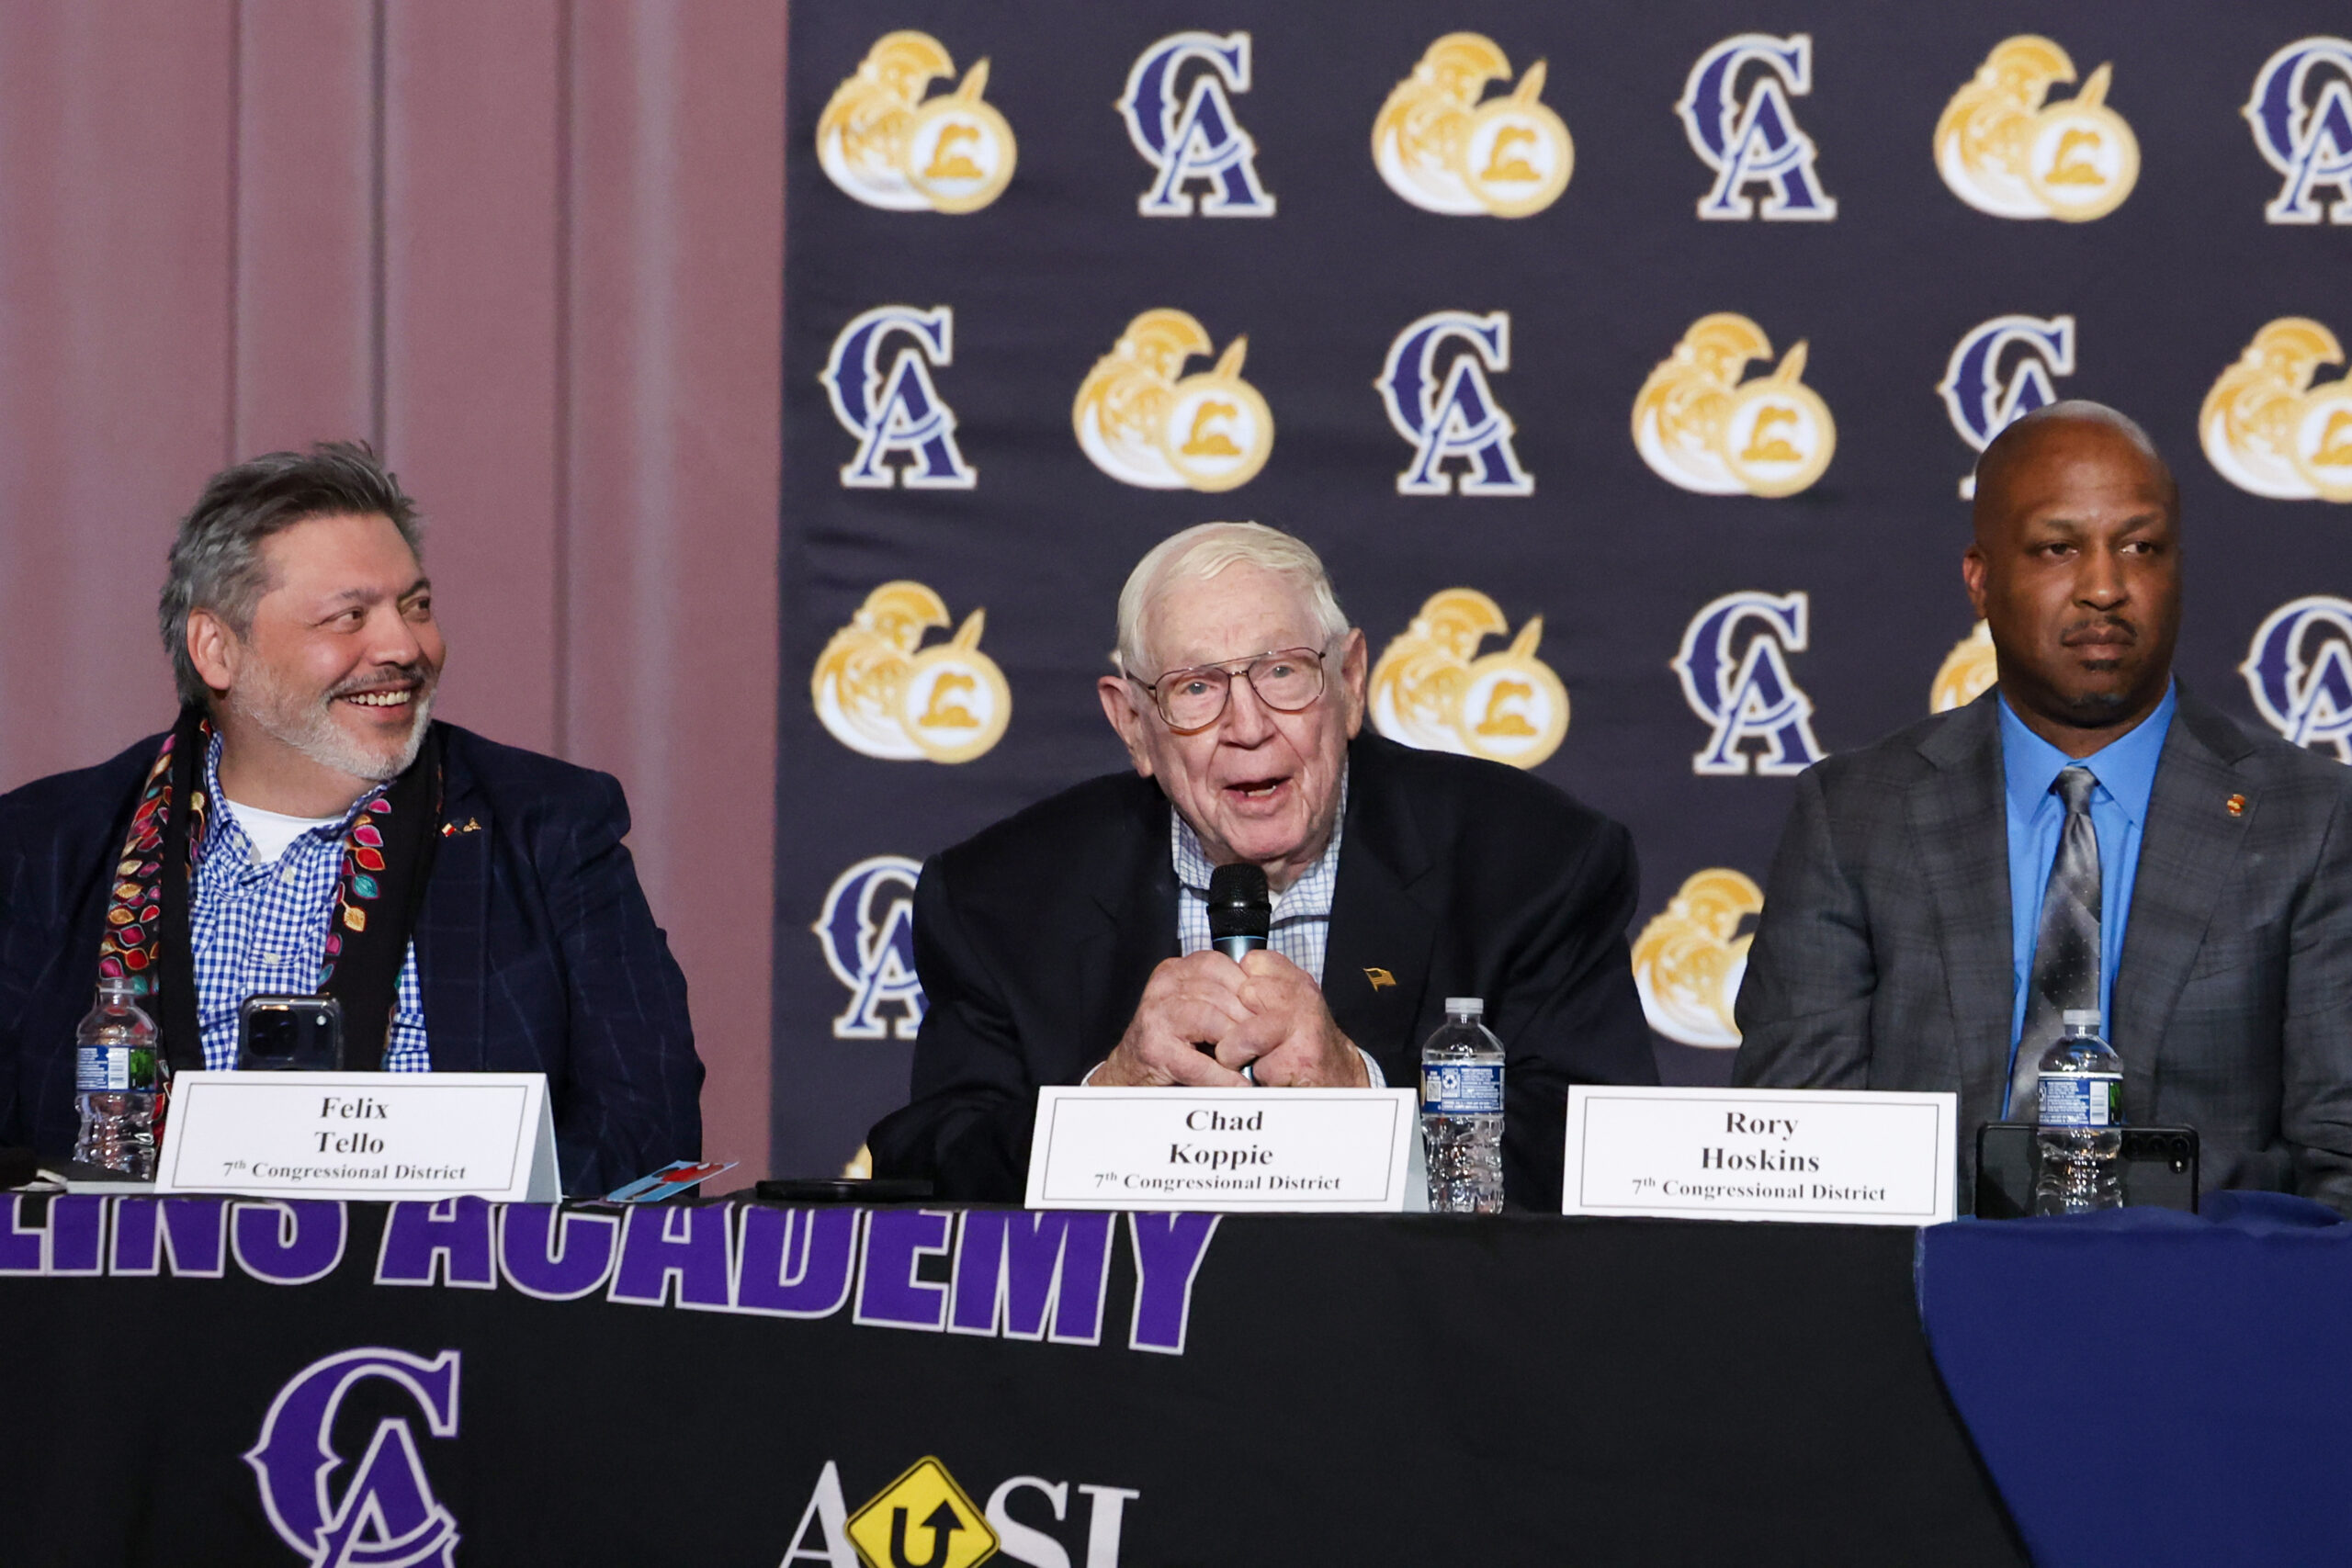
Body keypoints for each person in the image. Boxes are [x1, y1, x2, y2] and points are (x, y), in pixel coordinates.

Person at [868, 521, 1657, 1207]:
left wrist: (1363, 1102)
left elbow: (1604, 1167)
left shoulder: (1532, 866)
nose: (1247, 725)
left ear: (1350, 682)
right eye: (1196, 687)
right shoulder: (999, 900)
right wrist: (1104, 1104)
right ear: (1133, 724)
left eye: (1282, 672)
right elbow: (926, 1165)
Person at [0, 443, 702, 1195]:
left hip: (454, 1272)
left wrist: (463, 1233)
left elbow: (650, 1140)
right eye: (350, 616)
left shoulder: (546, 831)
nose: (404, 646)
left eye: (416, 606)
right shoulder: (42, 850)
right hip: (134, 1275)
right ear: (217, 649)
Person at [1733, 402, 2352, 1212]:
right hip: (1922, 1281)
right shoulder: (1855, 816)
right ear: (1981, 580)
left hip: (2206, 1284)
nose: (2104, 587)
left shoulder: (2311, 818)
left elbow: (2341, 1158)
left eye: (2140, 547)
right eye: (2058, 549)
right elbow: (1798, 1148)